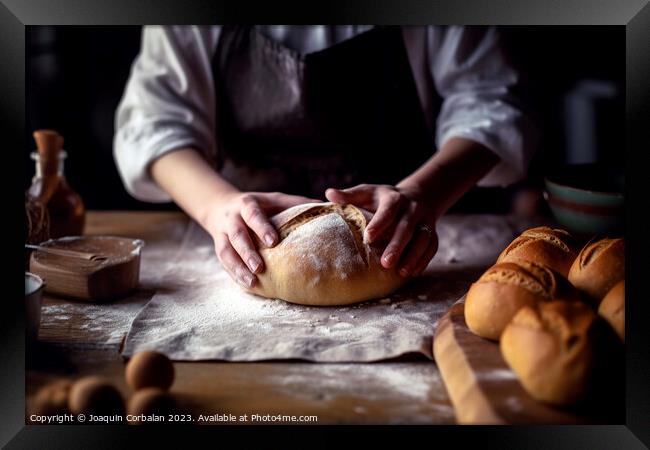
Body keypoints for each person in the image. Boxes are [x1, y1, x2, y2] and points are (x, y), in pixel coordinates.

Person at [114, 25, 538, 289]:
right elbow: (154, 121)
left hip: (400, 234)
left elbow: (490, 102)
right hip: (250, 233)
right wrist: (217, 206)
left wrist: (423, 193)